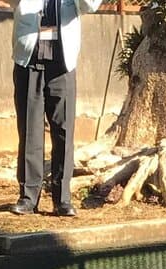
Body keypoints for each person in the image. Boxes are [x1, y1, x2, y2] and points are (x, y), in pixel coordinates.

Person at [7, 0, 102, 217]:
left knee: (64, 131)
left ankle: (63, 199)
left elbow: (91, 5)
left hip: (62, 63)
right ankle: (28, 197)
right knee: (30, 131)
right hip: (28, 59)